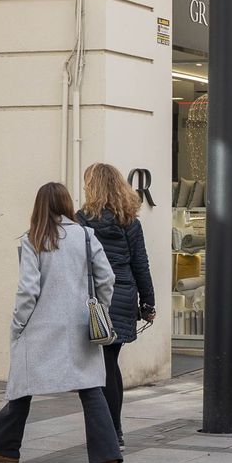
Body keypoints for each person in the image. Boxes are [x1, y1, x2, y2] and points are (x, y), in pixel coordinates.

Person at [0, 182, 124, 463]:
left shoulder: (33, 240)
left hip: (40, 326)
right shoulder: (86, 236)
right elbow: (107, 277)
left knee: (23, 385)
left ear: (39, 206)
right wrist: (100, 310)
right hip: (81, 325)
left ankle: (5, 447)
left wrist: (18, 324)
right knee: (90, 388)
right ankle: (107, 459)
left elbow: (28, 290)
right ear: (68, 204)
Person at [76, 163, 156, 447]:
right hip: (122, 297)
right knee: (110, 363)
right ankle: (115, 431)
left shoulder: (81, 221)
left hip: (93, 298)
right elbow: (140, 264)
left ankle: (111, 432)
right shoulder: (130, 222)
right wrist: (148, 302)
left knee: (102, 366)